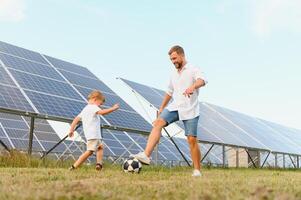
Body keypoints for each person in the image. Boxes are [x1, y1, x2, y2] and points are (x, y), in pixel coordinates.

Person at [132, 45, 207, 177]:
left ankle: (197, 170)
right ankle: (146, 155)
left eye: (174, 58)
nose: (173, 61)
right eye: (171, 60)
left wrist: (193, 86)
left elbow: (202, 80)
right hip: (175, 106)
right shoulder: (173, 73)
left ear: (182, 55)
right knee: (158, 123)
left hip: (190, 108)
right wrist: (162, 107)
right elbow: (169, 92)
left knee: (191, 140)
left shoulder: (193, 68)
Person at [68, 90, 119, 171]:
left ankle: (99, 164)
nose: (100, 106)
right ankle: (74, 166)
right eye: (100, 103)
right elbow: (102, 112)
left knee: (100, 147)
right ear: (95, 99)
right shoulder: (93, 107)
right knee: (90, 151)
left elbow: (76, 119)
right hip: (93, 134)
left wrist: (71, 130)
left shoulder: (85, 109)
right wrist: (113, 108)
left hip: (92, 135)